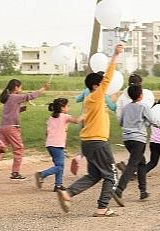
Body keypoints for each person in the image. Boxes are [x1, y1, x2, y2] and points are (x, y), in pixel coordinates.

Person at [56, 43, 123, 217]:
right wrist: (115, 56)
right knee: (111, 175)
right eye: (100, 84)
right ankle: (102, 208)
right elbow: (107, 78)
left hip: (88, 142)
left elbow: (90, 115)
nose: (104, 86)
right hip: (98, 142)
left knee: (94, 175)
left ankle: (68, 193)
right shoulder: (96, 95)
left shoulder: (90, 100)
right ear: (95, 86)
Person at [0, 79, 49, 181]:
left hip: (3, 127)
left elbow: (10, 112)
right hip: (12, 128)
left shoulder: (8, 98)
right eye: (20, 87)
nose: (21, 89)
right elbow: (30, 96)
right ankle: (15, 173)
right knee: (18, 149)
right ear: (16, 87)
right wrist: (43, 89)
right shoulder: (15, 97)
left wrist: (19, 110)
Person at [111, 84, 158, 207]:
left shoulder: (126, 108)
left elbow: (121, 122)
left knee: (141, 162)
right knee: (133, 164)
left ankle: (143, 191)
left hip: (127, 140)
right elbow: (152, 120)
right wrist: (159, 125)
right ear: (141, 95)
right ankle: (119, 190)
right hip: (138, 140)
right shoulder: (144, 106)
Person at [35, 98, 81, 192]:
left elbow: (47, 132)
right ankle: (42, 174)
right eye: (67, 106)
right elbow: (76, 121)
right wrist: (84, 115)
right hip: (57, 145)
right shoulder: (64, 116)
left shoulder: (51, 118)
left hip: (50, 145)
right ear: (62, 108)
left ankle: (58, 185)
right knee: (59, 166)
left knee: (59, 165)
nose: (68, 107)